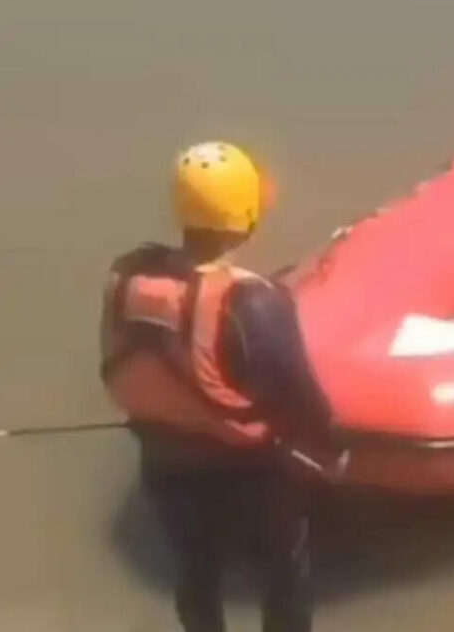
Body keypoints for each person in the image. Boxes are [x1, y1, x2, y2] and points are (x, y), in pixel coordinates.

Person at [100, 141, 344, 632]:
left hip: (165, 466)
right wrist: (336, 452)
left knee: (195, 575)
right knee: (283, 580)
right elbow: (307, 404)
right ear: (248, 214)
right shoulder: (255, 301)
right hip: (250, 474)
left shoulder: (128, 277)